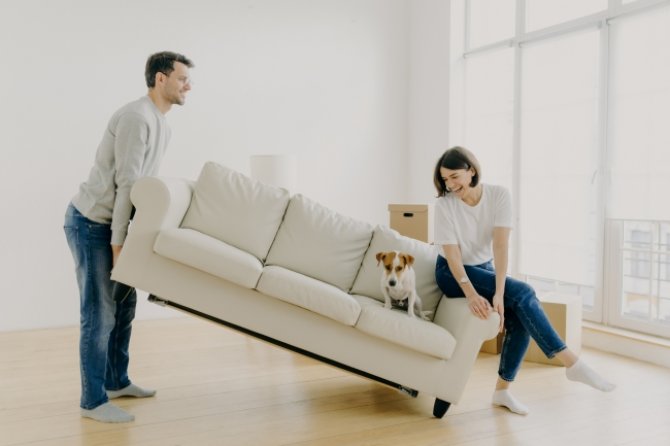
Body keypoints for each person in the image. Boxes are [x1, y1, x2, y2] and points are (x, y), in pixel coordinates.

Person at [432, 146, 615, 416]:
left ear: (471, 171)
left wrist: (499, 292)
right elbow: (453, 256)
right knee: (525, 292)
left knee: (519, 310)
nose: (450, 184)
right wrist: (472, 294)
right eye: (445, 179)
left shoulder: (498, 195)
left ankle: (502, 391)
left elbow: (501, 247)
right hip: (451, 272)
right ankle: (571, 363)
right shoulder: (444, 205)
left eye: (455, 177)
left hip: (484, 268)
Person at [63, 51, 194, 423]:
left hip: (114, 225)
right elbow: (127, 186)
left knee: (125, 306)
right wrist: (120, 249)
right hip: (92, 223)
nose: (189, 86)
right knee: (99, 314)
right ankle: (93, 401)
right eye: (182, 78)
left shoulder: (161, 124)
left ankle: (116, 380)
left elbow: (141, 191)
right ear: (160, 79)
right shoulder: (138, 118)